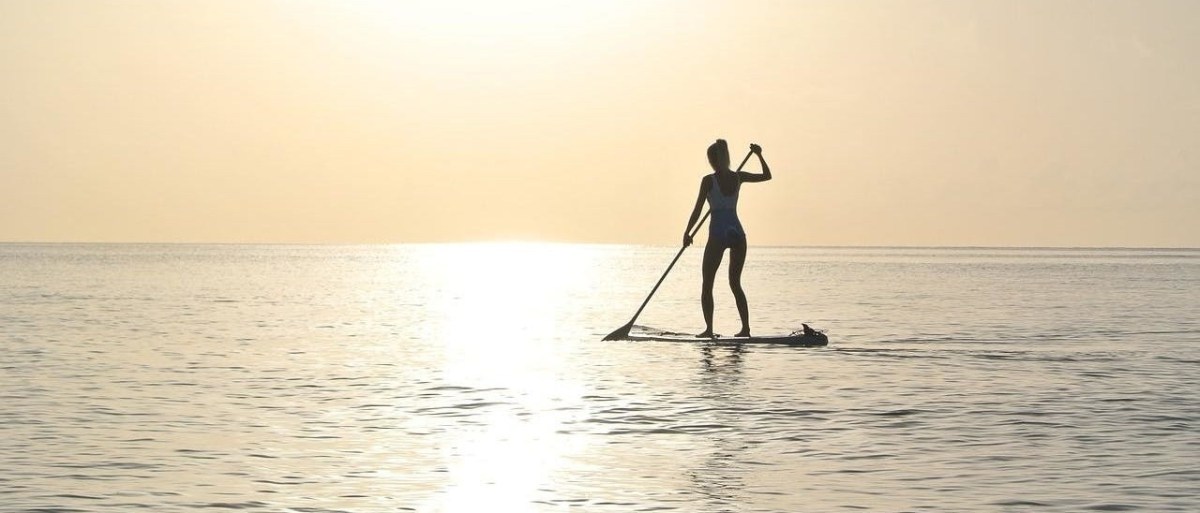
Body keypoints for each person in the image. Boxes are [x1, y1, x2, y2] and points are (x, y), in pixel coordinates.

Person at [683, 139, 772, 338]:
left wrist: (687, 233)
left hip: (718, 233)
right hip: (737, 233)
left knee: (707, 284)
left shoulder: (708, 180)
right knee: (735, 283)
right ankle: (746, 329)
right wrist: (759, 155)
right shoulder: (738, 176)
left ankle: (709, 330)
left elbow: (697, 209)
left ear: (712, 160)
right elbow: (767, 175)